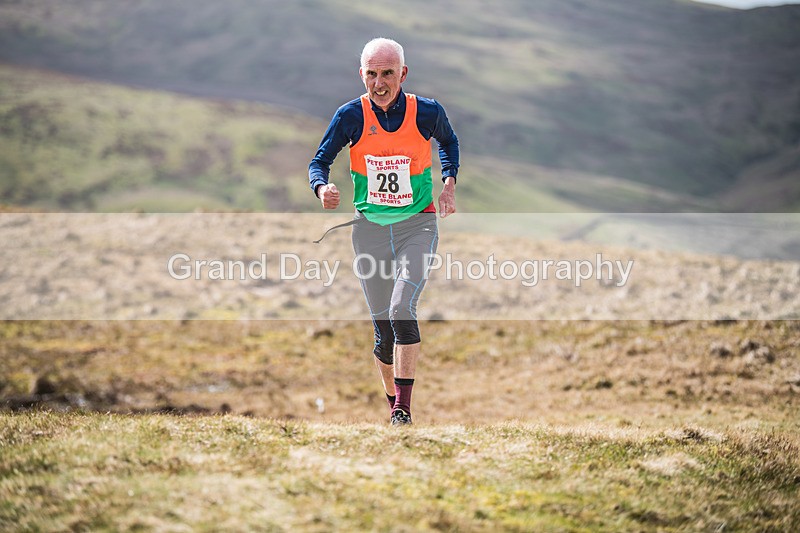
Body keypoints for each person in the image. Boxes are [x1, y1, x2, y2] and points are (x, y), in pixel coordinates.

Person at [308, 38, 460, 425]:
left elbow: (449, 141)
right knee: (383, 334)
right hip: (370, 232)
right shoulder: (350, 116)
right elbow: (319, 161)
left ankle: (403, 412)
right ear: (362, 75)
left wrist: (449, 181)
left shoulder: (426, 112)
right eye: (371, 74)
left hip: (417, 225)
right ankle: (393, 404)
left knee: (401, 310)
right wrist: (322, 187)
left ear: (402, 74)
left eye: (387, 73)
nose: (379, 83)